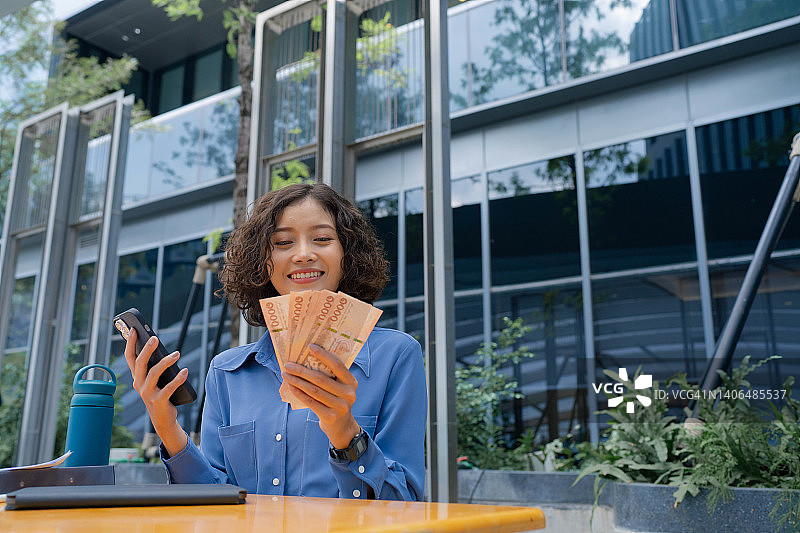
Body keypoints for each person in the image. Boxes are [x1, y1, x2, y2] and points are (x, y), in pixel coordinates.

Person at [124, 183, 426, 501]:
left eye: (322, 239)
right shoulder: (226, 372)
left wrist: (346, 433)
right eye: (283, 242)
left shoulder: (395, 356)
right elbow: (214, 500)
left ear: (346, 254)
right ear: (262, 263)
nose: (304, 254)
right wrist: (167, 426)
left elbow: (404, 503)